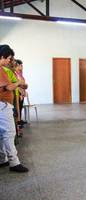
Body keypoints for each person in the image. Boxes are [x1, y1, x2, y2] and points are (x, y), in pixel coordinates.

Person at [0, 44, 28, 173]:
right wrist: (19, 83)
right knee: (10, 133)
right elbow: (7, 87)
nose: (9, 61)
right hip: (3, 105)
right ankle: (14, 162)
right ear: (2, 57)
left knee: (2, 134)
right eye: (8, 58)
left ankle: (3, 158)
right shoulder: (0, 70)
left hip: (4, 104)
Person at [15, 59, 28, 128]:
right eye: (20, 65)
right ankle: (18, 122)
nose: (22, 66)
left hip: (22, 93)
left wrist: (24, 91)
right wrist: (22, 92)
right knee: (18, 108)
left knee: (20, 107)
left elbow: (23, 83)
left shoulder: (20, 73)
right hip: (19, 93)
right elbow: (18, 85)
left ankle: (20, 120)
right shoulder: (16, 74)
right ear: (17, 66)